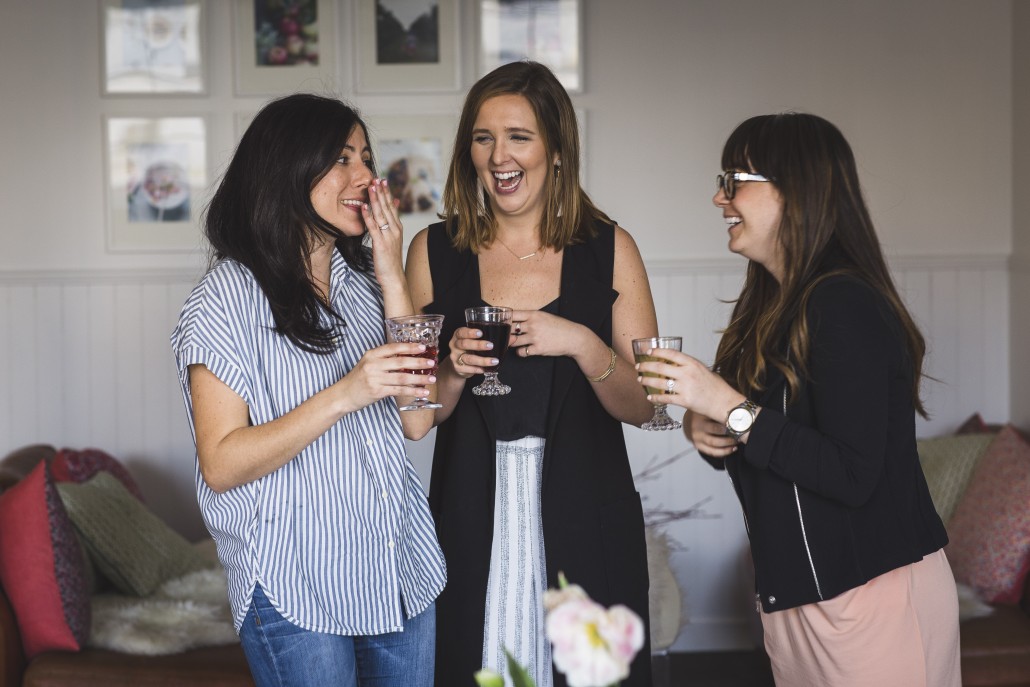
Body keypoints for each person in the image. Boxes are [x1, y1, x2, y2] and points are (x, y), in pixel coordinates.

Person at [636, 112, 960, 686]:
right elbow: (769, 440)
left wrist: (730, 407)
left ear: (796, 191)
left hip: (871, 597)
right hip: (796, 599)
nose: (719, 197)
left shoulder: (845, 305)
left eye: (736, 179)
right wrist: (708, 428)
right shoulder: (766, 307)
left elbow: (851, 473)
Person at [170, 93, 447, 687]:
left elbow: (418, 418)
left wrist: (392, 270)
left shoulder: (366, 286)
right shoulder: (225, 298)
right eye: (343, 158)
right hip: (296, 584)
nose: (366, 177)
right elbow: (220, 463)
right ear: (287, 169)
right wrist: (347, 392)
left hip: (397, 566)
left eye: (367, 158)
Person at [405, 61, 657, 687]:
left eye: (518, 135)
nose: (498, 156)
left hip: (585, 506)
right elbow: (414, 413)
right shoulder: (431, 252)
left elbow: (647, 403)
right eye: (483, 137)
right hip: (470, 513)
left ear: (556, 148)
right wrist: (453, 371)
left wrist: (580, 342)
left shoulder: (611, 249)